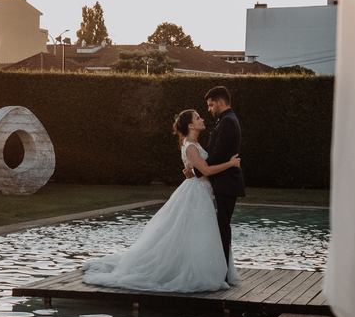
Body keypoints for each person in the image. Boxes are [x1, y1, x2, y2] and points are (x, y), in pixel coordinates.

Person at [82, 109, 241, 293]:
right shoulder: (190, 146)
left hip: (202, 192)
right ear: (190, 125)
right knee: (196, 232)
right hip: (197, 193)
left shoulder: (193, 144)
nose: (202, 119)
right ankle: (194, 271)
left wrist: (196, 171)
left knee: (197, 234)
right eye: (198, 118)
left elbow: (200, 169)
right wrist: (230, 164)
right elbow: (206, 171)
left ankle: (205, 268)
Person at [186, 86, 244, 277]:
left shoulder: (227, 121)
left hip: (226, 184)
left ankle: (223, 272)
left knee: (222, 228)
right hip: (222, 183)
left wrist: (195, 171)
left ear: (220, 102)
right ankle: (220, 270)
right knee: (219, 228)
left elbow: (218, 154)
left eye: (211, 105)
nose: (209, 109)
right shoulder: (226, 120)